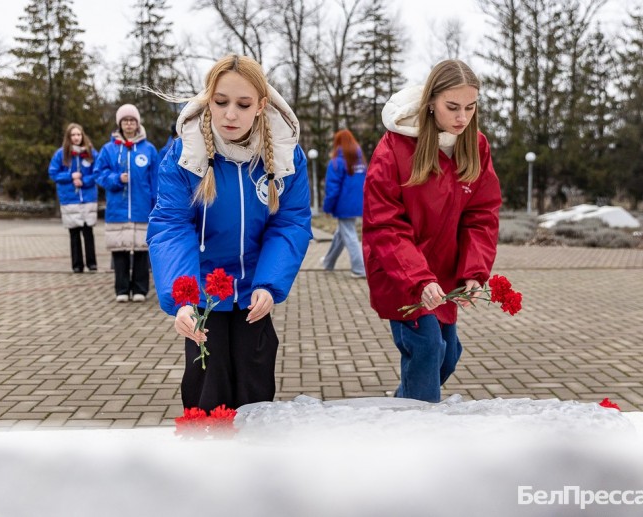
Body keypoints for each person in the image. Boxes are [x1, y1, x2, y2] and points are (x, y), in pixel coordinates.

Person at [147, 55, 312, 413]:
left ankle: (253, 461)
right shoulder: (185, 155)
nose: (230, 114)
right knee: (208, 381)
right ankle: (206, 458)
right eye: (220, 102)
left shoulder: (285, 157)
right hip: (205, 295)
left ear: (261, 106)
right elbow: (172, 228)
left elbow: (290, 222)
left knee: (255, 382)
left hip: (254, 292)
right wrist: (184, 298)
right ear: (209, 100)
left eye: (243, 104)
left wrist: (269, 284)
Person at [362, 59, 502, 403]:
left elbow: (481, 215)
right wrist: (417, 279)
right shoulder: (394, 147)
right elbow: (385, 223)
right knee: (427, 349)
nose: (462, 117)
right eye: (452, 107)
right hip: (400, 271)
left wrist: (474, 271)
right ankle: (418, 440)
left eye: (470, 108)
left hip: (444, 271)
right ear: (430, 103)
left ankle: (400, 409)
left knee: (447, 354)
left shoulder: (476, 146)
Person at [94, 104, 158, 302]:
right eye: (125, 121)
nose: (129, 124)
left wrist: (155, 204)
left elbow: (156, 180)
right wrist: (115, 179)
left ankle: (140, 289)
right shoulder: (108, 149)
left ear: (137, 123)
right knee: (120, 251)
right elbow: (99, 174)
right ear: (120, 124)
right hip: (117, 210)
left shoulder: (148, 149)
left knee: (141, 251)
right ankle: (122, 289)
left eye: (132, 120)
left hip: (142, 208)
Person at [48, 123, 99, 273]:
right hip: (70, 199)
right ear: (69, 137)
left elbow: (97, 171)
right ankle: (77, 265)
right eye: (73, 135)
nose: (76, 138)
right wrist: (70, 176)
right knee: (74, 233)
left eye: (78, 134)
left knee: (88, 232)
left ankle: (92, 263)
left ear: (82, 136)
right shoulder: (61, 154)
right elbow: (53, 173)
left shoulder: (91, 152)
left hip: (87, 198)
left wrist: (84, 181)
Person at [321, 129, 367, 278]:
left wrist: (327, 207)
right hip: (358, 204)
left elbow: (332, 188)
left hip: (343, 205)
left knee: (349, 234)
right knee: (341, 234)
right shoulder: (360, 161)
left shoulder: (337, 162)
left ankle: (360, 268)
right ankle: (328, 262)